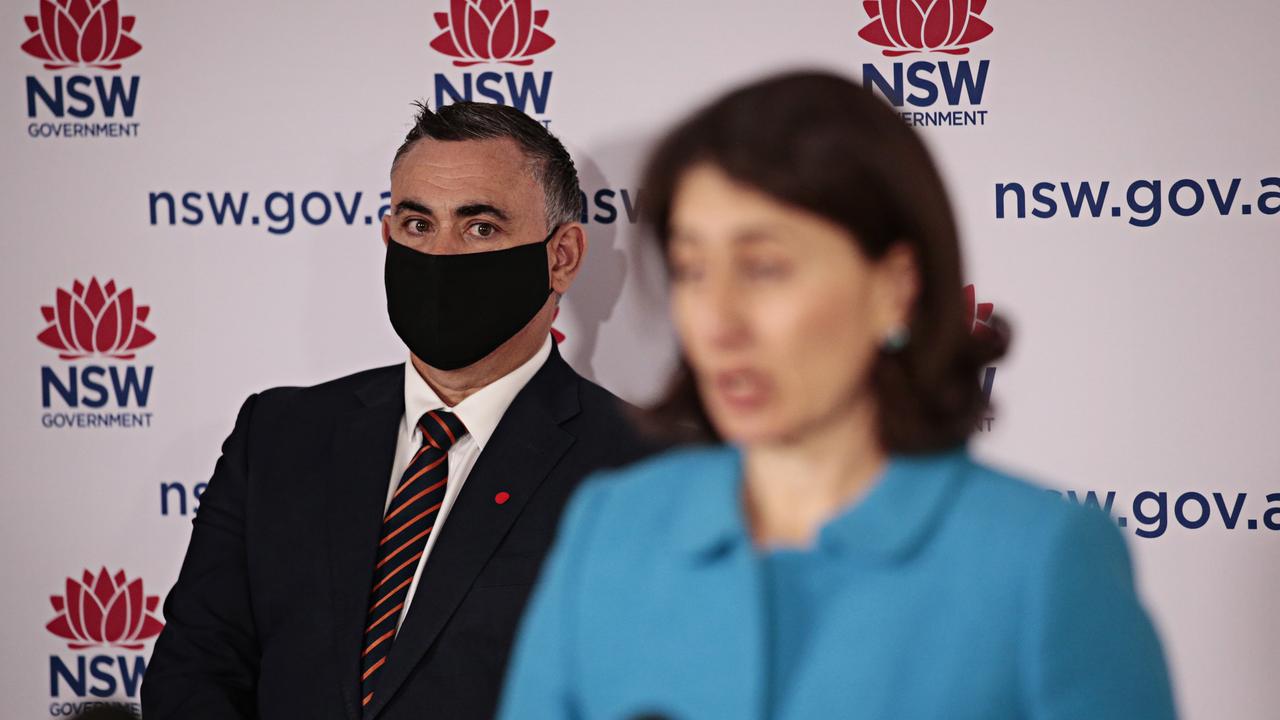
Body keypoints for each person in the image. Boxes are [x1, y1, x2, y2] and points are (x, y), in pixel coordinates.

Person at [498, 72, 1178, 719]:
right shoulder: (611, 527)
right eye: (692, 269)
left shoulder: (1040, 559)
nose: (717, 322)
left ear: (895, 286)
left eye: (764, 268)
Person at [141, 101, 658, 720]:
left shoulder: (645, 471)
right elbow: (197, 668)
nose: (439, 256)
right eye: (417, 225)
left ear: (563, 256)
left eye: (480, 228)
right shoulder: (278, 435)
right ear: (387, 237)